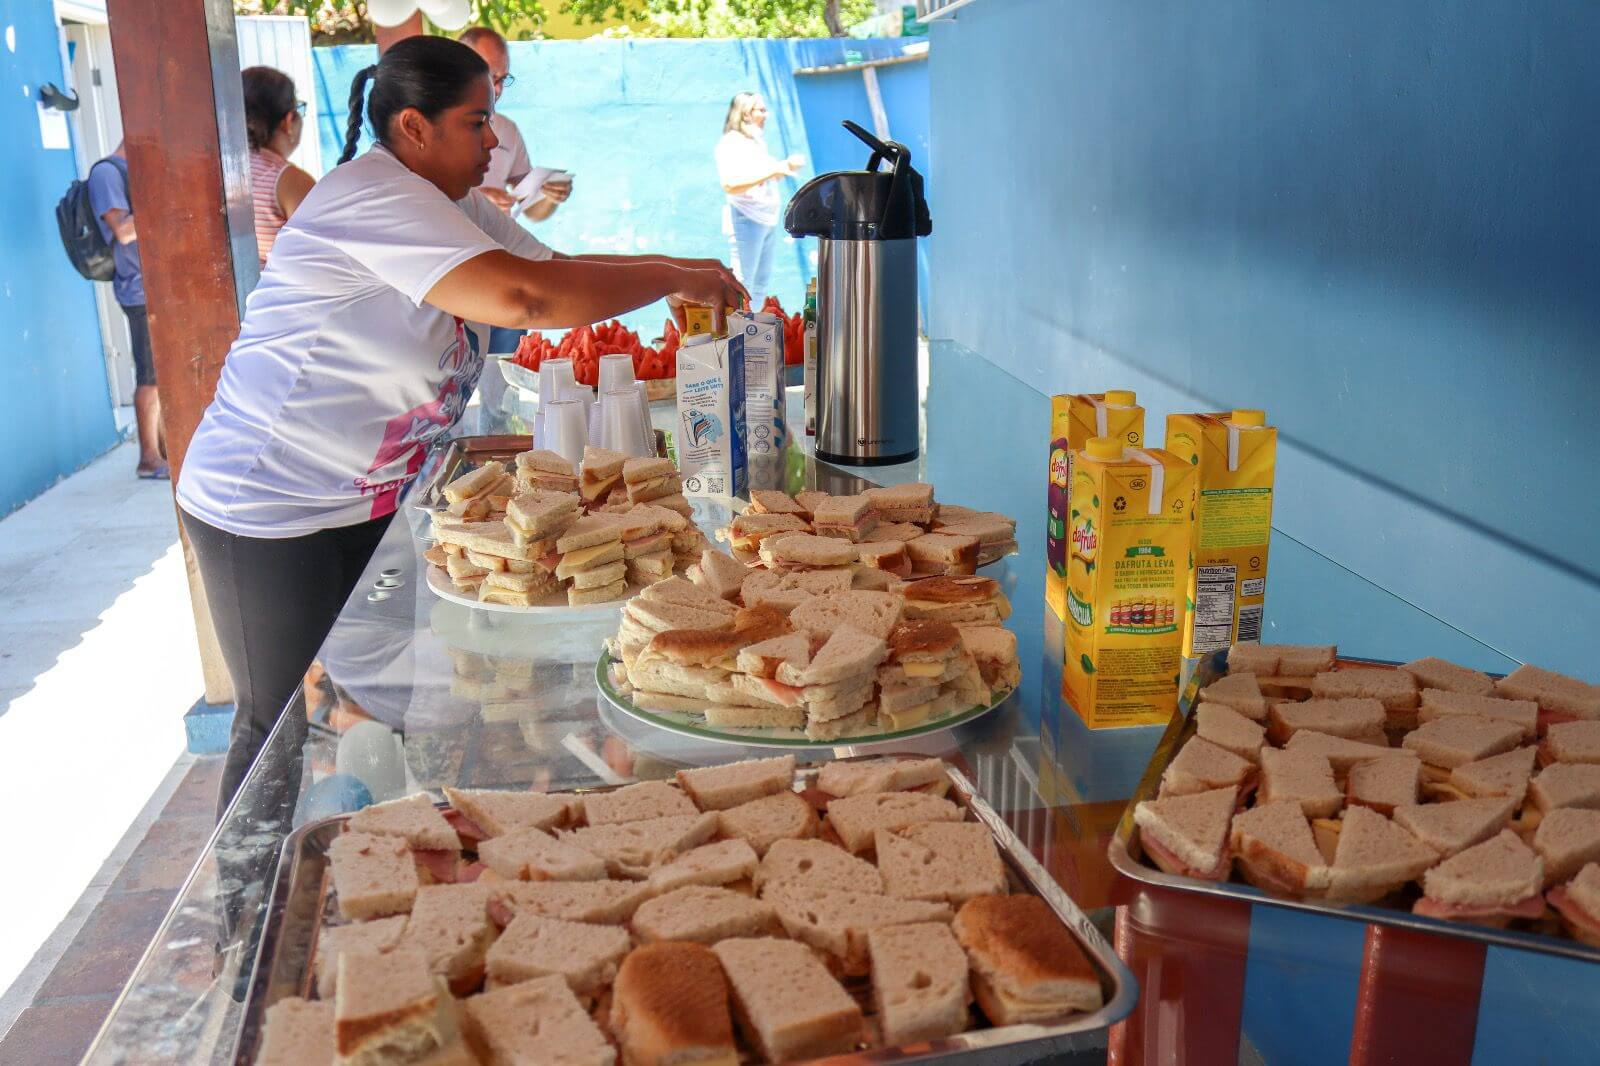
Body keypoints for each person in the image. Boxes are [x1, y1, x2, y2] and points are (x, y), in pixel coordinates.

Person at [175, 36, 745, 814]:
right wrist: (674, 276)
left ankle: (388, 852)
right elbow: (524, 303)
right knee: (271, 722)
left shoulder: (457, 204)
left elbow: (555, 271)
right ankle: (242, 918)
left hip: (361, 495)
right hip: (265, 500)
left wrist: (679, 266)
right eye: (478, 122)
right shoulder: (370, 197)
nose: (495, 142)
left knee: (380, 697)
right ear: (414, 126)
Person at [459, 25, 573, 355]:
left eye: (502, 79)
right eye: (487, 76)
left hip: (505, 266)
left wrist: (548, 196)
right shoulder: (437, 132)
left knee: (504, 375)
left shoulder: (508, 130)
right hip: (459, 270)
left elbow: (529, 206)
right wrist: (477, 200)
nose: (496, 89)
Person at [87, 144, 165, 479]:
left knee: (161, 375)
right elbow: (122, 230)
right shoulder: (106, 173)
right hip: (137, 290)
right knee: (150, 375)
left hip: (152, 286)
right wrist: (163, 200)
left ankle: (163, 452)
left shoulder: (128, 173)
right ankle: (148, 458)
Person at [714, 92, 802, 306]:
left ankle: (751, 333)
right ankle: (738, 335)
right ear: (745, 113)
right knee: (743, 284)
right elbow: (730, 184)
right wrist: (773, 171)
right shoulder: (731, 142)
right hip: (745, 218)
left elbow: (761, 178)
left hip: (765, 219)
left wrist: (784, 168)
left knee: (760, 285)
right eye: (761, 110)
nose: (766, 115)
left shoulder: (755, 143)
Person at [242, 66, 316, 266]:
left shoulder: (221, 171)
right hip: (284, 296)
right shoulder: (287, 180)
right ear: (289, 120)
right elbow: (320, 256)